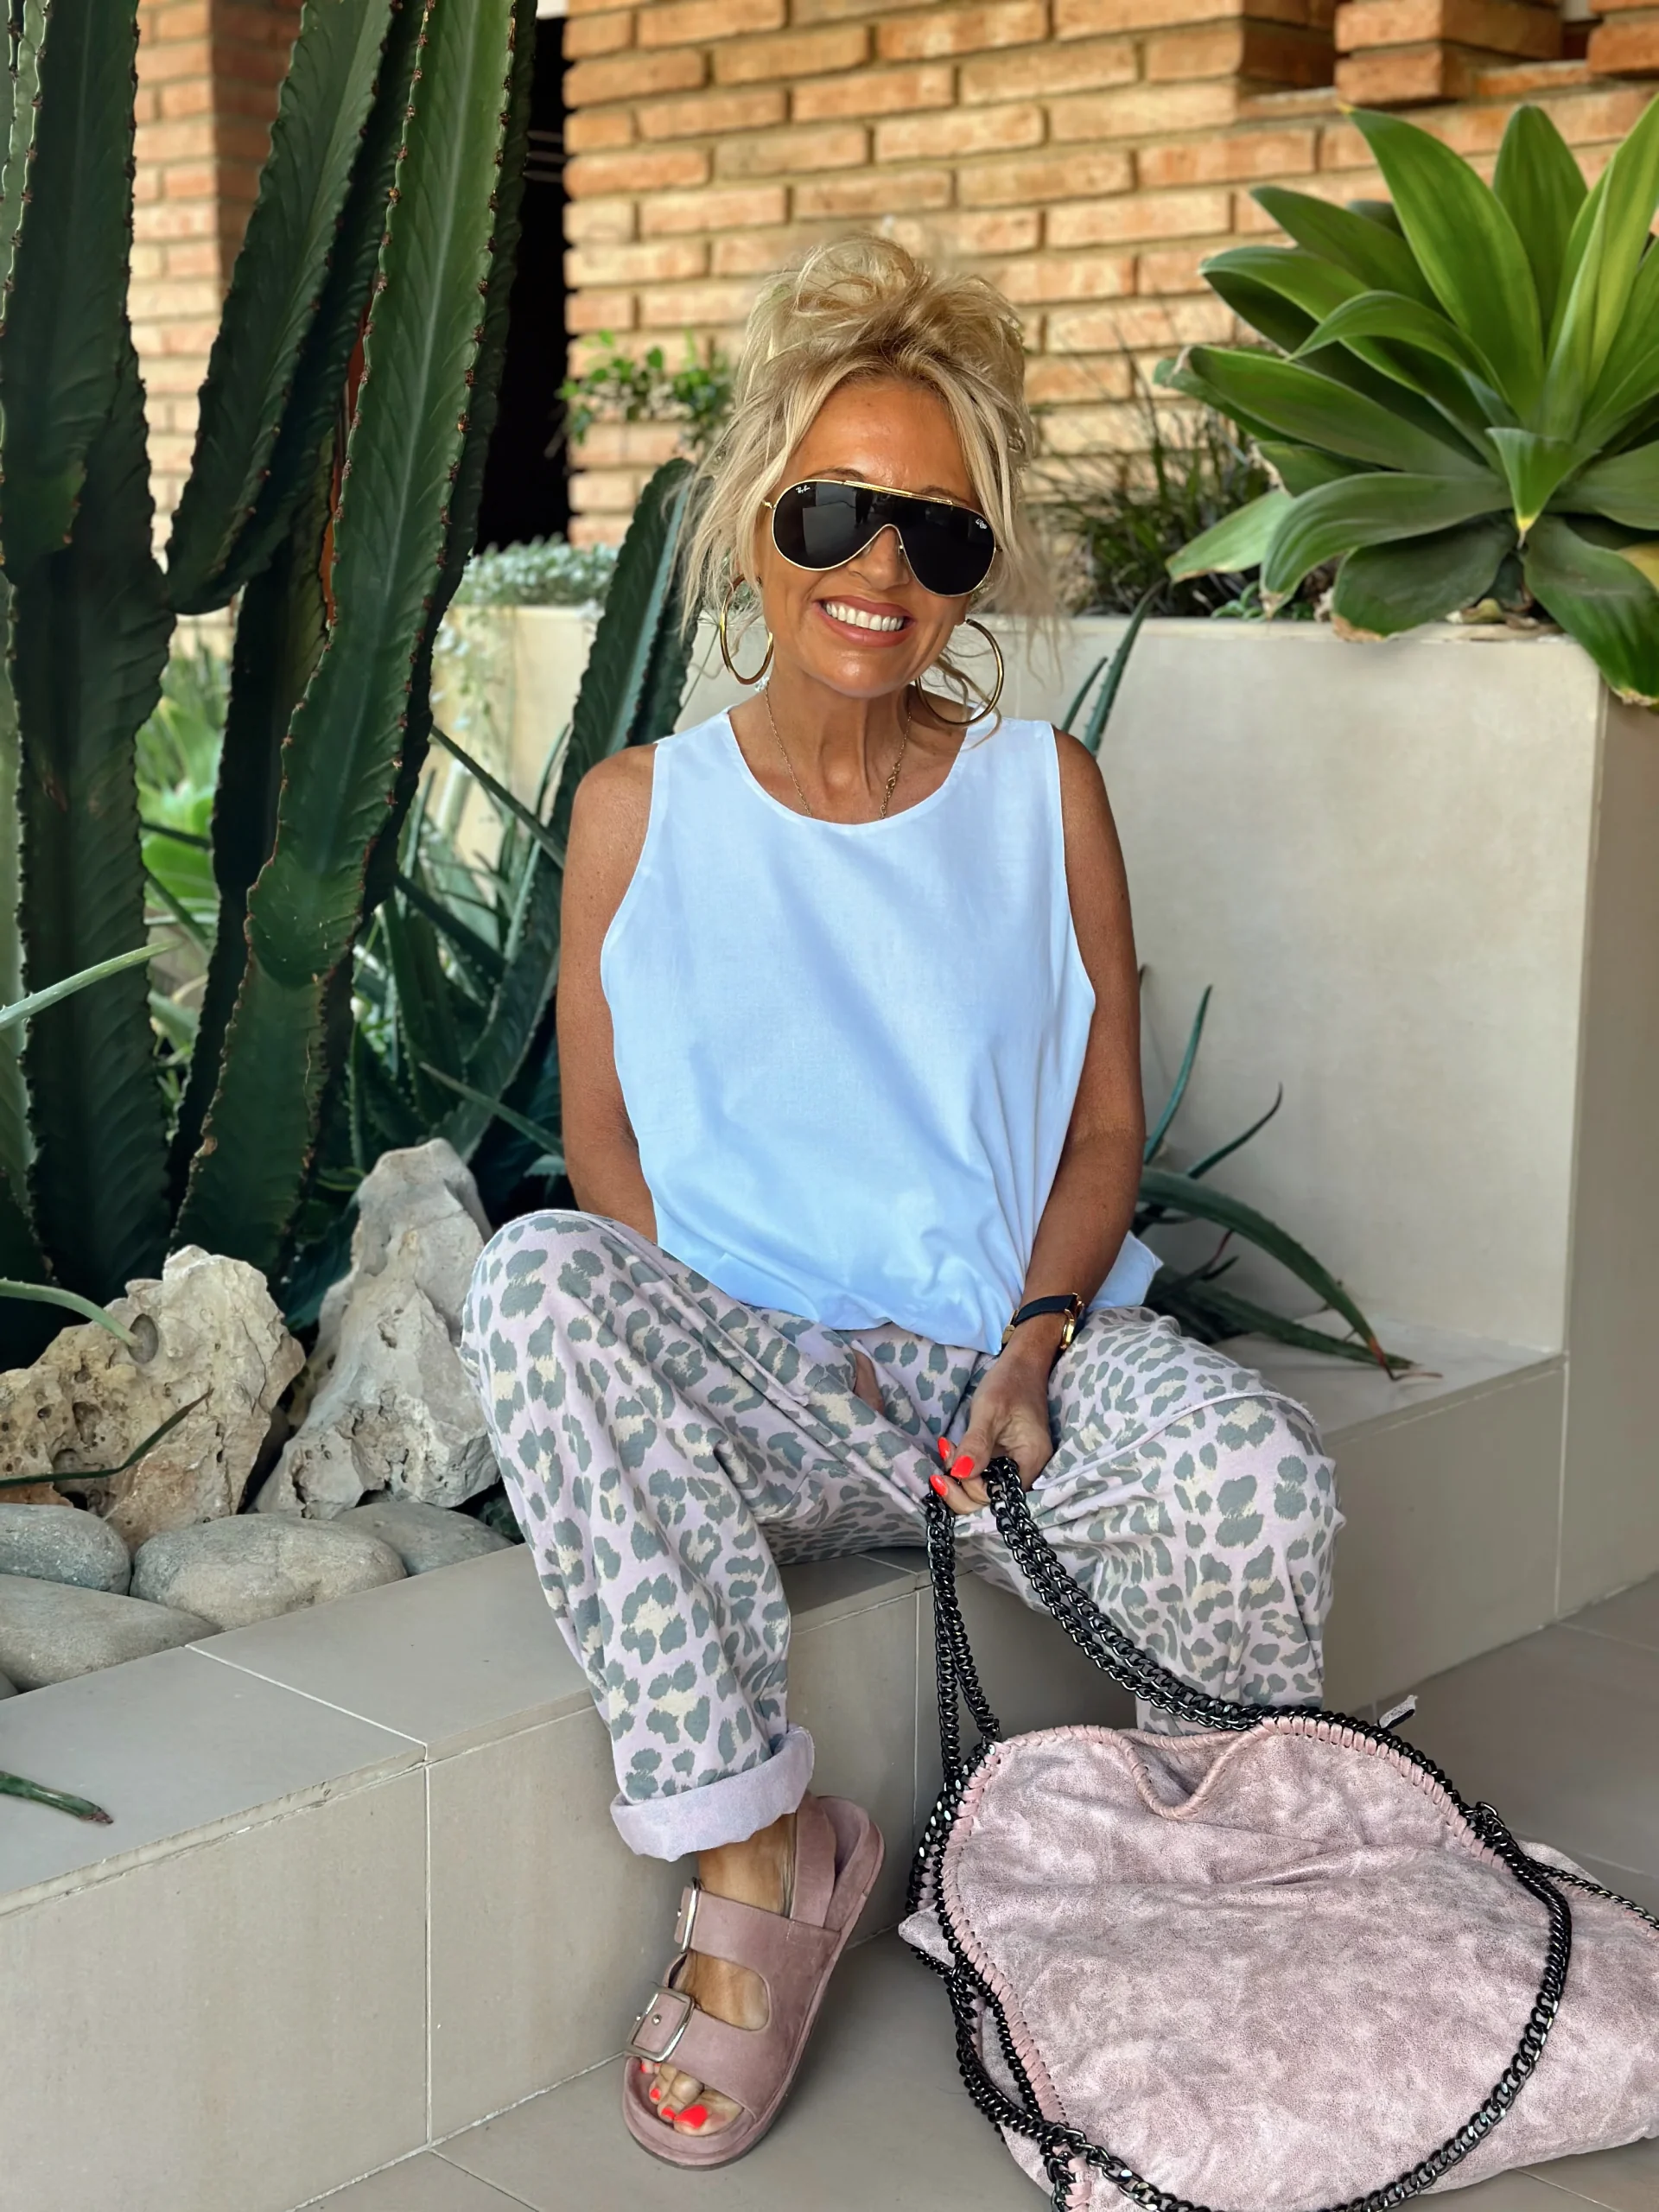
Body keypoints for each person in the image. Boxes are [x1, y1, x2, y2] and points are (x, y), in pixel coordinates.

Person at [460, 236, 1338, 2171]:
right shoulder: (637, 811)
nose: (879, 569)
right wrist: (724, 1368)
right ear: (754, 518)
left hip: (1015, 1375)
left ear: (979, 569)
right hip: (768, 1376)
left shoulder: (1045, 792)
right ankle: (759, 1858)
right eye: (836, 509)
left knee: (1260, 1474)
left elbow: (1102, 1131)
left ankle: (1210, 1866)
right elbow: (607, 1152)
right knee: (534, 1279)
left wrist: (1031, 1347)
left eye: (936, 534)